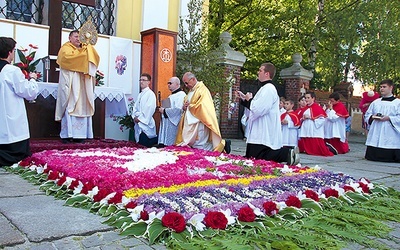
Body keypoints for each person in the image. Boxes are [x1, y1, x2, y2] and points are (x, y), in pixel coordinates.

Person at [236, 62, 299, 165]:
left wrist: (249, 100)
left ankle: (287, 153)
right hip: (259, 129)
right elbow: (256, 105)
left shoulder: (269, 88)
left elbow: (259, 109)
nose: (258, 72)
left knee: (260, 157)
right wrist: (244, 99)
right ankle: (287, 153)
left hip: (264, 130)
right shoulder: (264, 89)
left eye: (260, 70)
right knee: (252, 156)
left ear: (267, 74)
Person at [55, 30, 100, 143]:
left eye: (80, 37)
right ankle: (67, 134)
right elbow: (67, 59)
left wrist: (87, 47)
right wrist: (83, 56)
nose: (78, 39)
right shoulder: (65, 49)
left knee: (84, 106)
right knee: (70, 105)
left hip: (83, 83)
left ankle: (82, 135)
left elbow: (94, 59)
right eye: (75, 36)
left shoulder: (86, 48)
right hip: (71, 83)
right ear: (69, 38)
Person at [0, 37, 39, 166]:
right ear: (10, 52)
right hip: (9, 116)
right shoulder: (11, 70)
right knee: (15, 151)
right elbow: (27, 92)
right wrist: (32, 79)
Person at [175, 72, 230, 153]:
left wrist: (190, 106)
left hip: (199, 122)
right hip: (190, 121)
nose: (186, 85)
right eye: (185, 83)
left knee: (200, 143)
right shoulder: (191, 91)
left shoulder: (202, 90)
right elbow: (187, 103)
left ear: (193, 79)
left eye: (187, 83)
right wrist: (185, 106)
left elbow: (203, 106)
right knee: (189, 143)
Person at [364, 79, 400, 162]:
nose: (381, 89)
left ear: (391, 87)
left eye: (384, 87)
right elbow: (367, 115)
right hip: (377, 128)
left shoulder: (397, 103)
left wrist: (389, 118)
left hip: (390, 130)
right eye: (380, 87)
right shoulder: (375, 102)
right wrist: (372, 117)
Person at [298, 91, 334, 156]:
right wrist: (302, 119)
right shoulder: (304, 109)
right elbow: (299, 119)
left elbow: (322, 119)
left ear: (313, 98)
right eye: (306, 98)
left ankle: (328, 149)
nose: (306, 99)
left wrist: (311, 117)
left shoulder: (318, 108)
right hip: (306, 127)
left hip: (314, 128)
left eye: (308, 98)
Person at [157, 76, 186, 147]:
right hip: (167, 123)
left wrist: (164, 110)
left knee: (171, 144)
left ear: (177, 84)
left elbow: (178, 110)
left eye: (170, 83)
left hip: (173, 124)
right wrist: (162, 109)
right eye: (168, 83)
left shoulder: (181, 95)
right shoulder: (171, 95)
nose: (168, 85)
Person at [132, 73, 158, 147]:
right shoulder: (140, 94)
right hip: (138, 123)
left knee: (145, 146)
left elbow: (149, 110)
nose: (141, 82)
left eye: (144, 80)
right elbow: (135, 108)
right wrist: (134, 117)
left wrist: (139, 119)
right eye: (140, 80)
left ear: (149, 82)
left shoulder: (150, 94)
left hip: (145, 124)